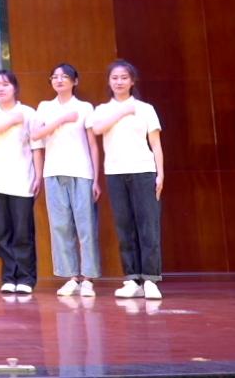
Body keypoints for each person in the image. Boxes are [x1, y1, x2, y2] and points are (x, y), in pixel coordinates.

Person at [89, 60, 164, 300]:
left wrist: (160, 173)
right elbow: (98, 128)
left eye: (124, 77)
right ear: (109, 82)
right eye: (114, 78)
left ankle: (150, 279)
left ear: (132, 81)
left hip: (143, 171)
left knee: (148, 225)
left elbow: (155, 144)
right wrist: (122, 111)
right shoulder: (102, 109)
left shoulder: (145, 109)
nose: (119, 82)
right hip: (115, 173)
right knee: (125, 226)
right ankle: (132, 279)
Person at [30, 63, 101, 298]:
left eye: (64, 76)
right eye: (55, 77)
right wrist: (61, 119)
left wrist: (96, 179)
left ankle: (88, 278)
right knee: (60, 226)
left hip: (82, 172)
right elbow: (35, 135)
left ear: (75, 81)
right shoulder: (45, 107)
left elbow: (93, 145)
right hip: (53, 172)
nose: (59, 80)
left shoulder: (84, 107)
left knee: (85, 226)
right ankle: (71, 277)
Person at [0, 70, 42, 295]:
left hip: (22, 179)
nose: (1, 88)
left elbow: (36, 146)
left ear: (15, 87)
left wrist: (38, 175)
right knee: (3, 233)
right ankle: (9, 277)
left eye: (5, 84)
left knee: (23, 233)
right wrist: (11, 120)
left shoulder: (28, 112)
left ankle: (26, 278)